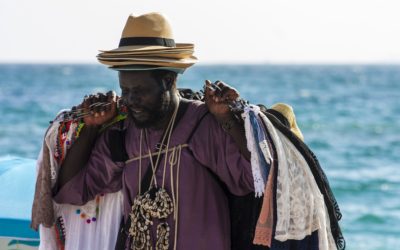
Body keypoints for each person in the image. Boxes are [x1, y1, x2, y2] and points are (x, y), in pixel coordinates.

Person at [52, 12, 254, 250]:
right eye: (125, 90)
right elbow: (71, 192)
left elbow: (253, 179)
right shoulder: (122, 135)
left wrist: (225, 117)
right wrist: (92, 128)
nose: (130, 100)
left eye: (139, 90)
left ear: (169, 80)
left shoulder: (203, 125)